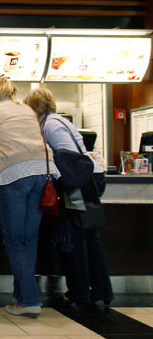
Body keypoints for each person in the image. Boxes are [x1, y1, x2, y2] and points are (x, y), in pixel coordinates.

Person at [0, 77, 57, 318]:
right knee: (28, 239)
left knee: (14, 240)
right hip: (43, 171)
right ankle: (22, 298)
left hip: (14, 175)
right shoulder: (27, 109)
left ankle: (29, 299)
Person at [24, 87, 113, 307]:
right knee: (89, 238)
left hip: (78, 184)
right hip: (87, 180)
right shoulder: (59, 122)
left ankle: (79, 292)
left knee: (75, 240)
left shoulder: (52, 125)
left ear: (35, 107)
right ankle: (101, 290)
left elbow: (68, 158)